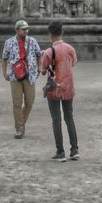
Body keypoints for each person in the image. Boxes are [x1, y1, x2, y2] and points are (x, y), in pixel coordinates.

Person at [40, 21, 79, 161]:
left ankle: (60, 151)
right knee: (69, 118)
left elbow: (43, 71)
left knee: (56, 120)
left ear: (50, 34)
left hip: (54, 88)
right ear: (62, 32)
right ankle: (74, 150)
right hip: (68, 86)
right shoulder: (70, 49)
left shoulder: (49, 52)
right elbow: (73, 63)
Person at [1, 18, 42, 139]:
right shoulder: (9, 42)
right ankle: (19, 128)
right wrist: (4, 73)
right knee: (17, 103)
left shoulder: (32, 41)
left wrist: (39, 68)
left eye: (27, 29)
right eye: (23, 30)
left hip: (30, 74)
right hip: (15, 75)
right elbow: (4, 58)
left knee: (30, 101)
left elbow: (39, 55)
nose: (26, 31)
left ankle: (21, 123)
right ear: (17, 30)